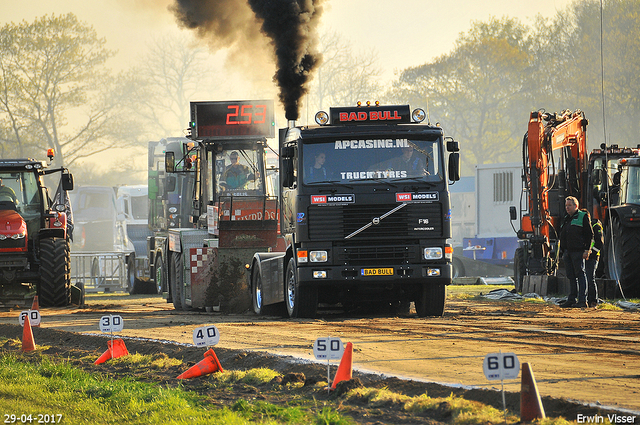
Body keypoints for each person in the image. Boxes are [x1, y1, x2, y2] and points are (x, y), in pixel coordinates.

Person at [559, 196, 594, 308]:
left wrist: (586, 250)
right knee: (571, 276)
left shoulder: (583, 216)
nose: (567, 208)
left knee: (580, 275)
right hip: (568, 252)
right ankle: (572, 299)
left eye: (569, 205)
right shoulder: (566, 218)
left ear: (576, 206)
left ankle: (583, 300)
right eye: (566, 205)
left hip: (578, 252)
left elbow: (590, 234)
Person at [586, 218, 604, 307]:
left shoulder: (595, 226)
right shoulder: (587, 226)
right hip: (587, 256)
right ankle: (588, 300)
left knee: (590, 278)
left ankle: (593, 300)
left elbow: (599, 242)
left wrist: (591, 254)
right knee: (587, 278)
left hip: (592, 257)